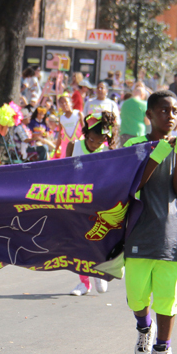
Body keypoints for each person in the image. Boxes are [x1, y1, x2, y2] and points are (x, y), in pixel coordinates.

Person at [121, 90, 177, 354]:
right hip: (139, 231)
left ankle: (162, 348)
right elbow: (134, 184)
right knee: (137, 296)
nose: (171, 116)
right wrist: (156, 153)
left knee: (167, 296)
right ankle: (144, 327)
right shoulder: (136, 145)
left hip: (173, 231)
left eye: (175, 111)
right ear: (149, 115)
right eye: (164, 111)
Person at [66, 111, 117, 296]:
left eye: (100, 141)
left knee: (98, 241)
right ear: (86, 134)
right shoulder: (74, 146)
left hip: (100, 204)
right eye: (92, 140)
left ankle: (100, 272)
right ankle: (83, 283)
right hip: (76, 203)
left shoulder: (108, 152)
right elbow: (65, 173)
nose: (95, 145)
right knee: (78, 243)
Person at [54, 93, 82, 158]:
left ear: (71, 102)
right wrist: (56, 149)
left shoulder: (78, 114)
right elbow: (60, 135)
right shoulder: (61, 118)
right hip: (66, 144)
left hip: (78, 142)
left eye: (66, 102)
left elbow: (84, 130)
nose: (64, 104)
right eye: (61, 103)